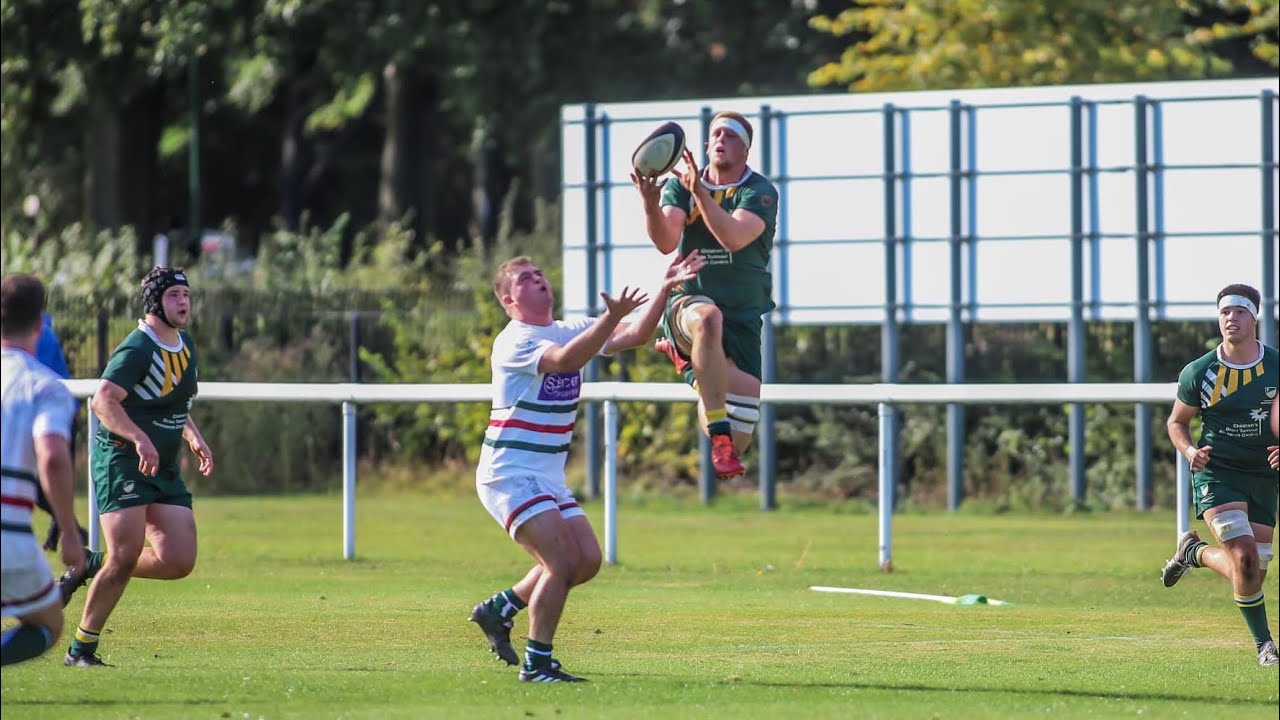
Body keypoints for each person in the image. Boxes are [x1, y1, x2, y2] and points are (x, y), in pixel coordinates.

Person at [469, 250, 704, 683]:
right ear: (508, 300)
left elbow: (634, 335)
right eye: (524, 278)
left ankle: (500, 609)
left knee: (587, 561)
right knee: (560, 561)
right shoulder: (514, 340)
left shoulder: (566, 328)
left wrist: (666, 287)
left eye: (538, 272)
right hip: (509, 472)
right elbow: (566, 361)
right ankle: (537, 665)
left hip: (546, 474)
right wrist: (609, 320)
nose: (537, 278)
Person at [60, 267, 214, 667]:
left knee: (179, 560)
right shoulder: (138, 347)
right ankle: (81, 650)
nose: (183, 302)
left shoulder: (184, 345)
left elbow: (174, 402)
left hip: (160, 467)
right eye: (174, 295)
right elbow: (103, 401)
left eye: (186, 294)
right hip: (123, 461)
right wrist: (139, 438)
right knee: (125, 556)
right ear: (155, 302)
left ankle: (90, 563)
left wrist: (192, 435)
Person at [631, 110, 779, 480]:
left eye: (729, 135)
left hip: (743, 313)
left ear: (745, 148)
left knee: (741, 434)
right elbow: (666, 241)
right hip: (690, 298)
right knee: (707, 319)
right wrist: (650, 202)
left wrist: (702, 192)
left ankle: (689, 366)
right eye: (715, 134)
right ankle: (718, 439)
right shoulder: (680, 185)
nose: (719, 140)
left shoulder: (759, 192)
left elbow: (733, 236)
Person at [1161, 283, 1279, 667]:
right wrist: (1190, 451)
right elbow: (1177, 422)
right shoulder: (1200, 372)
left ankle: (1193, 552)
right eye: (1225, 312)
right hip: (1218, 474)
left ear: (1254, 317)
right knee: (1244, 559)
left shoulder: (1276, 366)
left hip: (1263, 477)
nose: (1231, 318)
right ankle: (1265, 646)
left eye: (1240, 311)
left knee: (1251, 577)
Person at [2, 274, 85, 666]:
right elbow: (52, 455)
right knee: (48, 624)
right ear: (41, 323)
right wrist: (69, 531)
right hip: (9, 536)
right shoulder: (44, 386)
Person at [33, 312, 90, 552]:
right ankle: (66, 530)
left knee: (41, 482)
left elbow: (38, 376)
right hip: (52, 413)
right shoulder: (37, 330)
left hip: (54, 415)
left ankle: (73, 531)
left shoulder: (39, 334)